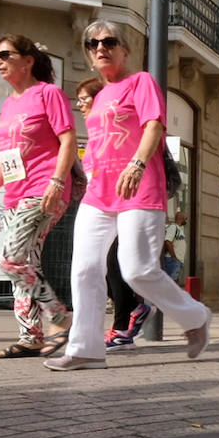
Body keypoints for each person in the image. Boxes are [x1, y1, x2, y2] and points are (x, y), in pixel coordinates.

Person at [45, 20, 211, 371]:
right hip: (99, 193)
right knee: (85, 268)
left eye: (108, 41)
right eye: (92, 44)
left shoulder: (141, 83)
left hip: (139, 189)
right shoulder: (99, 97)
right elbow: (99, 147)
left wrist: (136, 164)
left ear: (125, 49)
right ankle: (86, 349)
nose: (100, 47)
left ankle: (195, 316)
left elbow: (153, 126)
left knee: (136, 270)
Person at [0, 35, 76, 359]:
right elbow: (6, 158)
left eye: (5, 54)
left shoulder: (49, 94)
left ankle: (60, 316)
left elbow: (69, 140)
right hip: (15, 193)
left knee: (10, 259)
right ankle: (30, 336)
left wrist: (57, 183)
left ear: (28, 60)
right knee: (26, 265)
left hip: (44, 188)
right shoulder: (8, 105)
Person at [70, 77, 154, 353]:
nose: (81, 105)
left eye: (85, 99)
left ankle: (122, 325)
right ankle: (131, 310)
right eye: (79, 100)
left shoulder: (120, 130)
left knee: (115, 264)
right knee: (95, 266)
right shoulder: (95, 136)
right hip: (99, 206)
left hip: (125, 205)